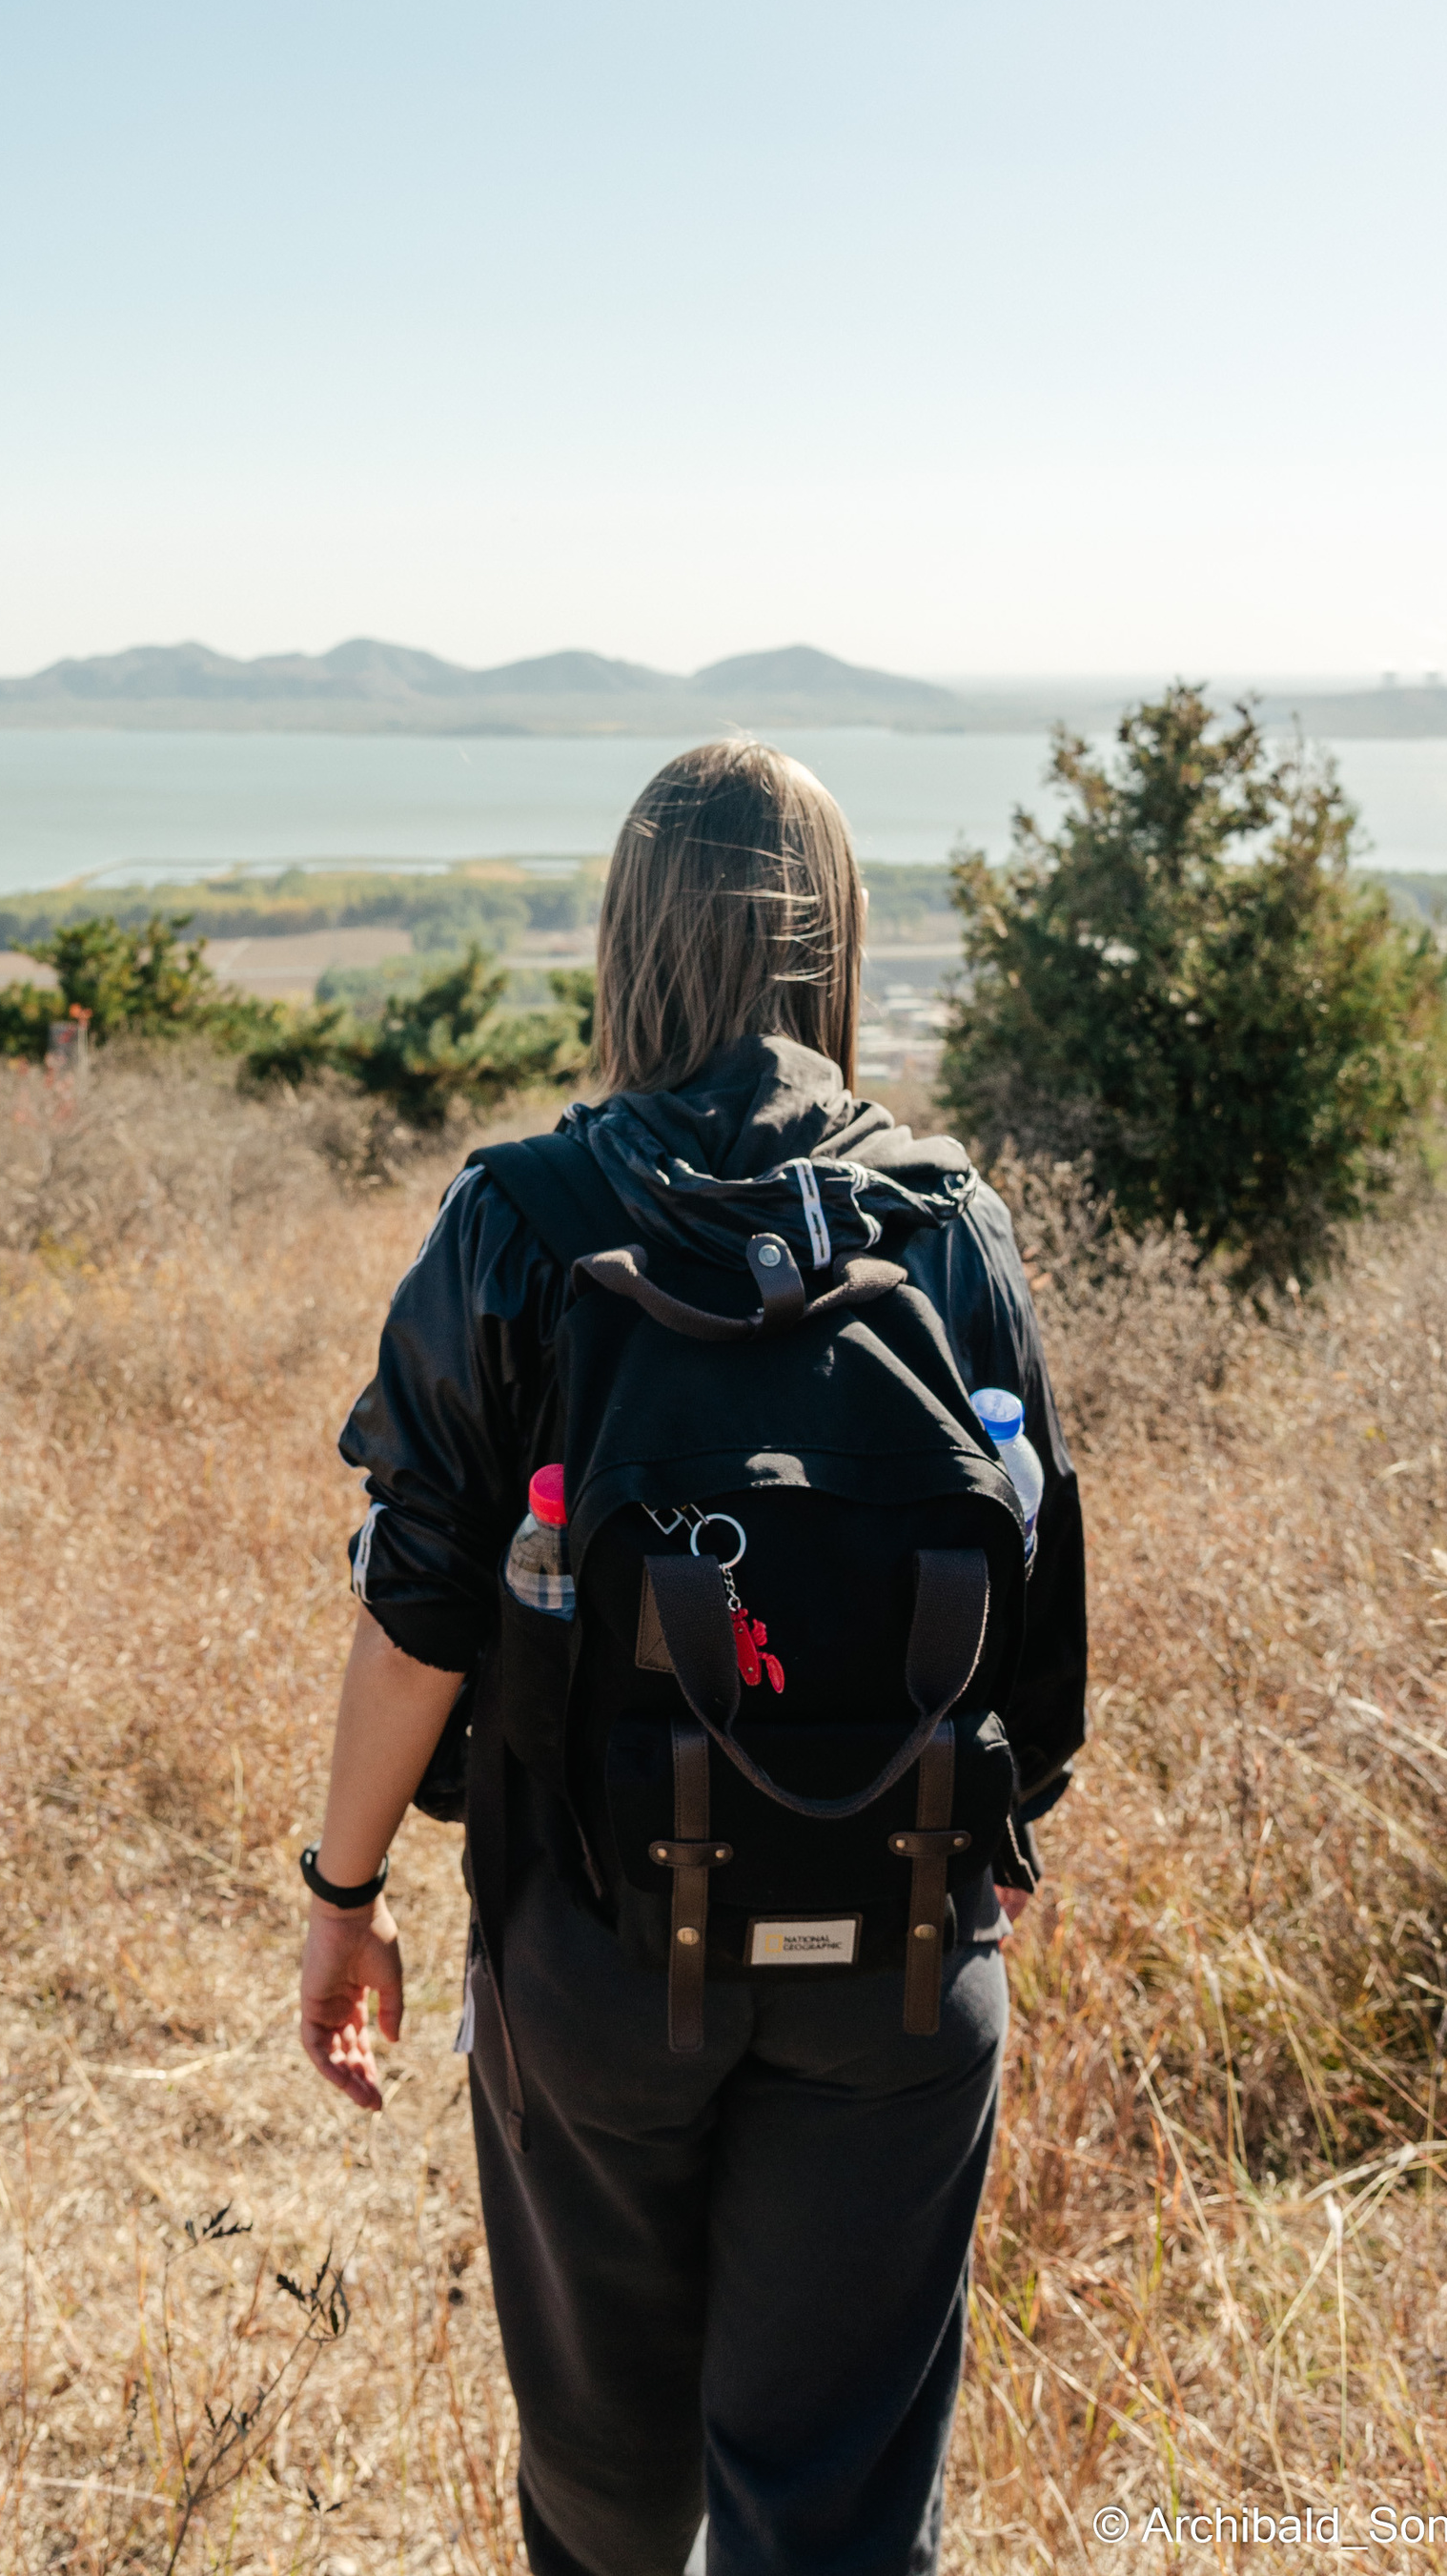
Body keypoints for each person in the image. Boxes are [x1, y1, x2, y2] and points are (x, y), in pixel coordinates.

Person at [295, 741, 1087, 2576]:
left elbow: (420, 1603)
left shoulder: (515, 1227)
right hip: (900, 1937)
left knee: (605, 2492)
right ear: (834, 940)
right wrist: (985, 1847)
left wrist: (346, 1889)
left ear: (631, 939)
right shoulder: (951, 1228)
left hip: (591, 1949)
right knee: (837, 2512)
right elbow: (1037, 1607)